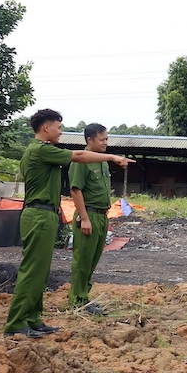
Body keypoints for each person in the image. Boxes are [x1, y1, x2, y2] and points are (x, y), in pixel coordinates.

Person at [3, 110, 134, 338]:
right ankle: (16, 323)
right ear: (46, 128)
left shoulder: (46, 152)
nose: (61, 132)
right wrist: (112, 157)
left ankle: (33, 319)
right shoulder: (40, 150)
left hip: (47, 214)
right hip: (39, 214)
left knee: (41, 272)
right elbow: (80, 157)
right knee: (32, 270)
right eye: (58, 127)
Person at [69, 123, 113, 315]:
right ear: (89, 140)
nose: (105, 143)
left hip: (102, 216)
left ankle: (84, 297)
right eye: (102, 139)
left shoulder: (102, 161)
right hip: (89, 215)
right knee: (83, 260)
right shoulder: (81, 161)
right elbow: (75, 189)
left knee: (92, 260)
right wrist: (84, 219)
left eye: (106, 139)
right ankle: (77, 301)